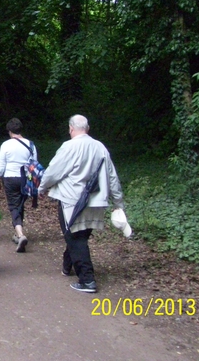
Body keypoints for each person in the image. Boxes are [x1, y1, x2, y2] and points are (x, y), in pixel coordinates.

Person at [38, 114, 125, 294]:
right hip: (96, 201)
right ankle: (67, 265)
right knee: (80, 236)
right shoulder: (100, 147)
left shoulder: (69, 147)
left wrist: (41, 187)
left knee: (75, 238)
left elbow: (54, 171)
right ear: (88, 128)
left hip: (72, 201)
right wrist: (118, 202)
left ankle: (87, 280)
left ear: (71, 128)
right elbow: (112, 176)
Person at [0, 117, 38, 253]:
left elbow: (1, 164)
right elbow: (34, 163)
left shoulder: (6, 145)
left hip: (10, 177)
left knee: (14, 205)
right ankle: (18, 231)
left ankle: (20, 234)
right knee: (20, 204)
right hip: (25, 178)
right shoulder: (31, 144)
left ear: (9, 131)